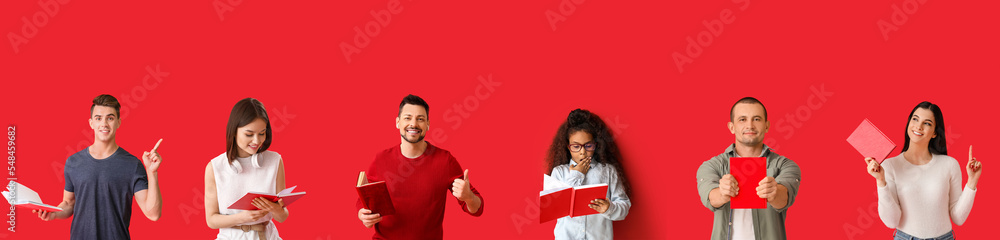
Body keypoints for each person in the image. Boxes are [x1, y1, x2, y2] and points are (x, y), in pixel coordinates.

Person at [33, 94, 164, 240]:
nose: (104, 124)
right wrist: (54, 213)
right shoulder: (73, 162)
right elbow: (69, 203)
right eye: (98, 118)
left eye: (110, 118)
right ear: (91, 123)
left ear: (118, 122)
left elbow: (153, 214)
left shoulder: (133, 165)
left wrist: (152, 172)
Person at [356, 94, 484, 240]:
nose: (414, 124)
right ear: (398, 122)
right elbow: (364, 199)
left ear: (428, 124)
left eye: (420, 119)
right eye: (407, 118)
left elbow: (477, 209)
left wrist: (468, 197)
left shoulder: (445, 160)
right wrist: (363, 214)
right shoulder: (380, 159)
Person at [864, 101, 981, 240]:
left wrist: (972, 182)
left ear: (934, 133)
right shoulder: (889, 166)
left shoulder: (949, 164)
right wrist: (881, 181)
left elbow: (958, 218)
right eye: (915, 119)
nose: (918, 126)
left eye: (927, 123)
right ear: (908, 123)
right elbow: (891, 222)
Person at [696, 97, 802, 240]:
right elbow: (709, 197)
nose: (750, 125)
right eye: (742, 119)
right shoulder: (711, 166)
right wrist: (722, 193)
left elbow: (784, 198)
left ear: (766, 126)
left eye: (757, 119)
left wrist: (774, 193)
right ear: (731, 127)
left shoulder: (785, 165)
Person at [205, 98, 289, 239]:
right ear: (234, 132)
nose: (257, 141)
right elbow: (211, 220)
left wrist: (276, 210)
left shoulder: (275, 161)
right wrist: (242, 218)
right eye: (249, 134)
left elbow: (282, 217)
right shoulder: (215, 167)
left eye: (262, 133)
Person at [545, 109, 631, 239]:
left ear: (596, 145)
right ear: (568, 147)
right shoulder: (559, 172)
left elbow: (624, 208)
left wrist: (609, 208)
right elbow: (552, 209)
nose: (582, 152)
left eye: (588, 146)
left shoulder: (608, 171)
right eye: (576, 146)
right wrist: (576, 175)